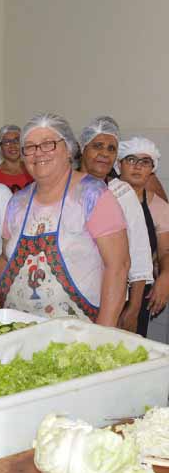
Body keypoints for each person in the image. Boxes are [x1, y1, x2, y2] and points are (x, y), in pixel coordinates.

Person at [0, 113, 129, 326]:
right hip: (19, 329)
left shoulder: (92, 195)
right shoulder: (17, 203)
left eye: (48, 144)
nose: (38, 153)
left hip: (78, 334)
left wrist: (103, 332)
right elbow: (6, 259)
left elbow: (118, 267)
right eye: (30, 147)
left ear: (69, 150)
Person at [78, 116, 153, 331]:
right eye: (97, 146)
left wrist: (134, 308)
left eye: (111, 149)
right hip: (73, 299)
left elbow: (139, 254)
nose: (104, 153)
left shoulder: (121, 192)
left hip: (116, 301)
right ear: (82, 149)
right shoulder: (65, 190)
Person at [116, 137, 169, 335]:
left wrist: (165, 277)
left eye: (145, 162)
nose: (137, 167)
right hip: (104, 286)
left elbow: (165, 250)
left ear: (152, 169)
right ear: (119, 164)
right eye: (131, 160)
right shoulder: (104, 196)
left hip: (141, 290)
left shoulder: (159, 207)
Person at [0, 124, 33, 193]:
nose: (12, 146)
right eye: (6, 142)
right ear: (0, 147)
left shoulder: (33, 169)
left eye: (16, 141)